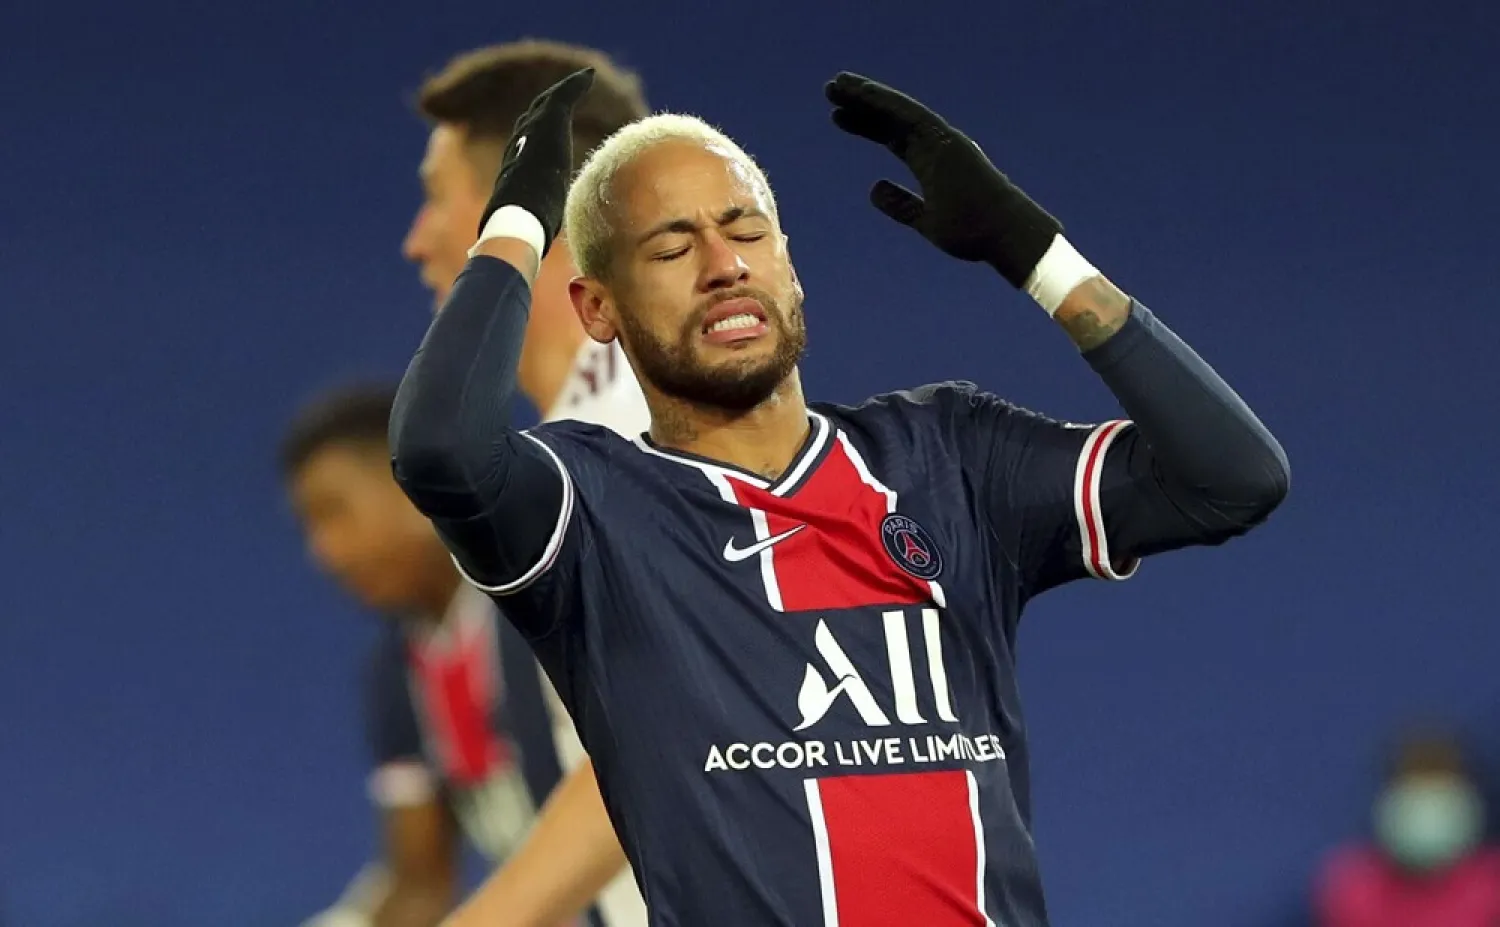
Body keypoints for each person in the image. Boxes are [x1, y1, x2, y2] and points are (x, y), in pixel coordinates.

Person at [389, 68, 1290, 926]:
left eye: (747, 230)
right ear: (598, 309)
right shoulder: (593, 508)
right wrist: (513, 224)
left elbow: (1231, 479)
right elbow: (440, 448)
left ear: (790, 264)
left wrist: (1035, 253)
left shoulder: (951, 457)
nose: (722, 264)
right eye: (671, 245)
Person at [301, 40, 654, 927]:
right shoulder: (591, 445)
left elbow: (662, 752)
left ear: (527, 207)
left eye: (436, 196)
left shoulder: (645, 447)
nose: (418, 239)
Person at [1314, 732, 1500, 926]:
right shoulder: (1350, 889)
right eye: (1416, 789)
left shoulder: (1494, 888)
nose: (1427, 808)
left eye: (1439, 791)